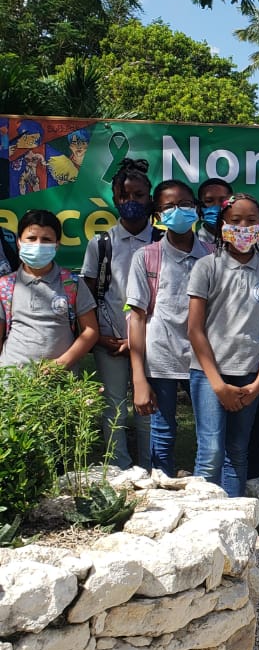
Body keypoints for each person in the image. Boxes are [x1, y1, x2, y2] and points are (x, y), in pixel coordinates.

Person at [187, 192, 259, 496]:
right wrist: (217, 385)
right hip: (208, 375)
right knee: (211, 451)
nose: (244, 227)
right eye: (235, 221)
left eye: (251, 221)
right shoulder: (206, 267)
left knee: (237, 453)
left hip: (248, 375)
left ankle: (233, 521)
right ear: (222, 227)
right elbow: (194, 329)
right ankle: (200, 524)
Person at [128, 181, 210, 478]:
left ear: (196, 210)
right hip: (161, 359)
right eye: (169, 207)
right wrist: (139, 378)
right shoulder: (146, 257)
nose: (179, 211)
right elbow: (136, 318)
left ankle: (206, 492)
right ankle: (161, 492)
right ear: (157, 215)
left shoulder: (212, 255)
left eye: (185, 204)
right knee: (162, 433)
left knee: (210, 432)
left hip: (204, 360)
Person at [81, 157, 158, 468]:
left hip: (152, 339)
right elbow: (87, 293)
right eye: (124, 196)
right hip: (110, 340)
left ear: (149, 197)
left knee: (148, 405)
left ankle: (152, 466)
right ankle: (119, 468)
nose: (131, 202)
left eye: (138, 195)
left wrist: (140, 339)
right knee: (114, 405)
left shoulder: (161, 241)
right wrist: (99, 336)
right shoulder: (101, 243)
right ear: (114, 199)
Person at [0, 210, 98, 368]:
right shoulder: (5, 285)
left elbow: (90, 331)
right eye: (31, 238)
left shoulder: (72, 283)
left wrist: (62, 363)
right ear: (19, 242)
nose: (38, 245)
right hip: (13, 381)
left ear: (57, 244)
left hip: (61, 382)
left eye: (46, 239)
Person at [197, 178, 231, 245]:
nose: (217, 205)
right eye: (209, 201)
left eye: (223, 201)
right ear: (200, 207)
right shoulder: (191, 243)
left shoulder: (245, 242)